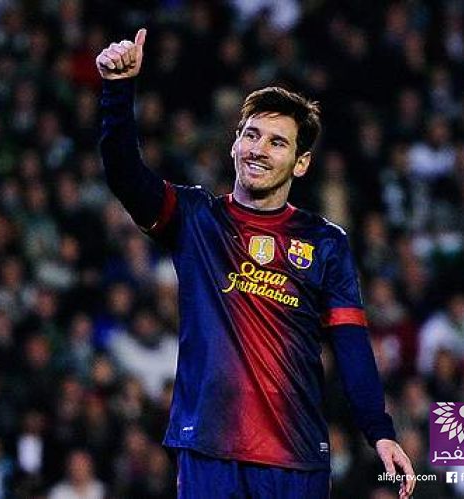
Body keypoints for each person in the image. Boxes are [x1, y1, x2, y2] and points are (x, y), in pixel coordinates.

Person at [96, 29, 415, 498]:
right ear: (234, 144)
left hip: (295, 456)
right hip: (210, 449)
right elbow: (124, 172)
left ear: (301, 163)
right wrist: (118, 91)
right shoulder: (195, 219)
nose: (259, 149)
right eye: (251, 134)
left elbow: (350, 344)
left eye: (277, 142)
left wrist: (379, 430)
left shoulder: (326, 242)